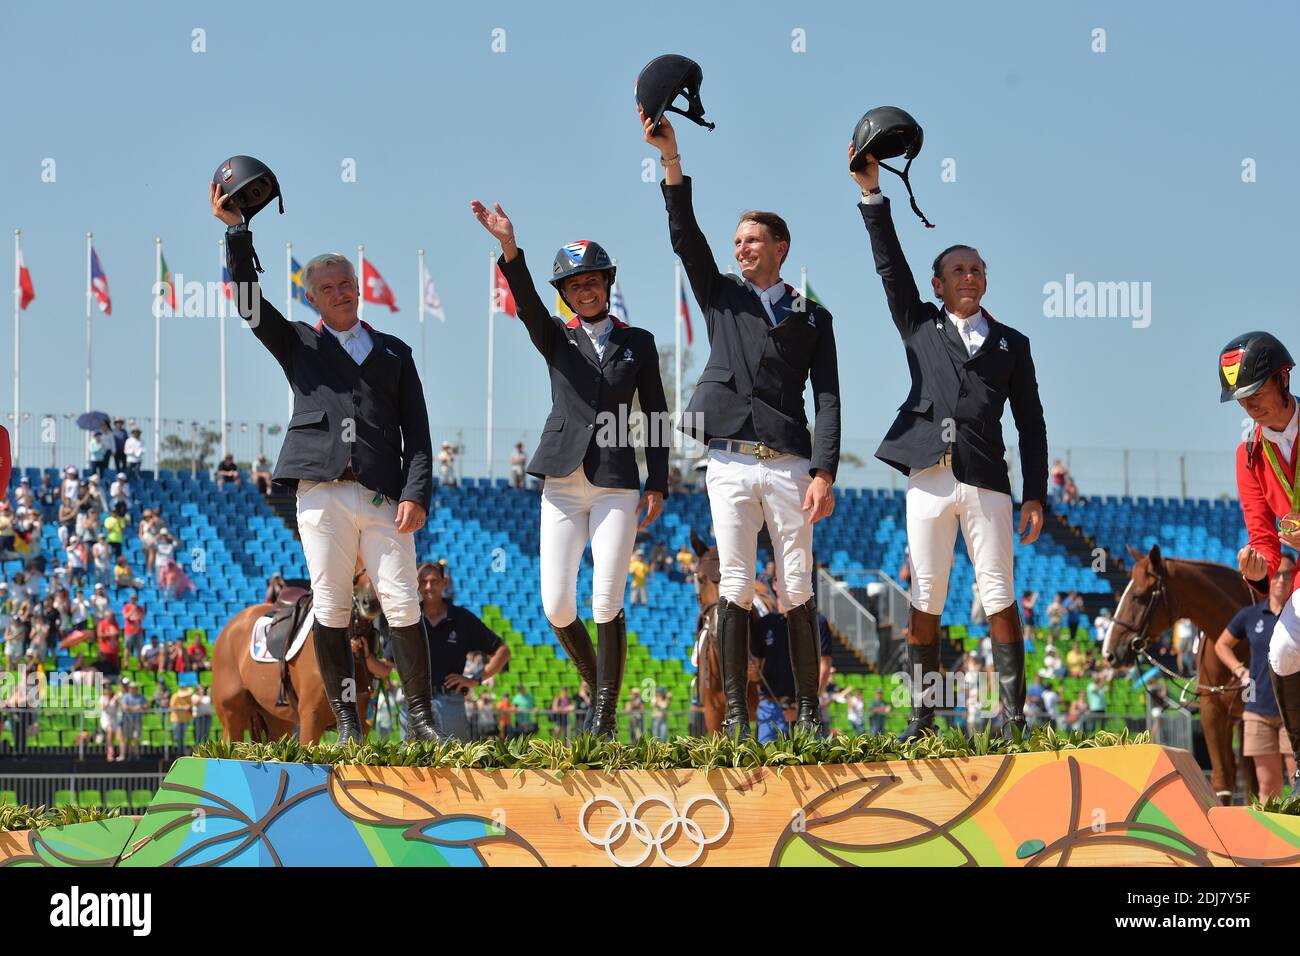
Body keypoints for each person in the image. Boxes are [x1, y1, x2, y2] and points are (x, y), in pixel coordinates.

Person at [640, 105, 840, 739]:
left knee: (798, 586)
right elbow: (685, 237)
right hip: (726, 460)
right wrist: (671, 159)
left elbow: (829, 397)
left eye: (752, 240)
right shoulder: (721, 294)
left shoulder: (814, 318)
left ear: (780, 248)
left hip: (788, 466)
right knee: (733, 583)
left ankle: (807, 715)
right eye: (737, 243)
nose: (740, 248)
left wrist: (825, 471)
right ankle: (733, 721)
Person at [215, 180, 439, 744]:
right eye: (326, 288)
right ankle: (346, 724)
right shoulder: (296, 342)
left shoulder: (394, 352)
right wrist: (237, 232)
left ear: (357, 291)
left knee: (402, 601)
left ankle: (421, 719)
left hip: (386, 495)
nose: (339, 293)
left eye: (345, 285)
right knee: (333, 605)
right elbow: (246, 300)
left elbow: (419, 431)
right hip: (319, 492)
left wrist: (417, 493)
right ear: (311, 297)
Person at [850, 143, 1047, 742]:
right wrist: (872, 195)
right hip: (928, 477)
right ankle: (922, 717)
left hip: (987, 477)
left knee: (998, 594)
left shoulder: (1013, 343)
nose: (970, 276)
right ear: (938, 283)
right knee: (926, 594)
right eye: (959, 269)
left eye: (978, 268)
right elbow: (889, 267)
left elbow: (1031, 421)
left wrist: (1035, 494)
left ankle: (1014, 719)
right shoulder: (920, 325)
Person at [472, 199, 668, 740]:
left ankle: (603, 718)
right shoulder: (555, 335)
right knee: (557, 604)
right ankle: (594, 686)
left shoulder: (639, 343)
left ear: (607, 284)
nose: (585, 291)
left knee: (607, 596)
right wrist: (510, 249)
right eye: (575, 286)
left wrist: (660, 484)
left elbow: (655, 414)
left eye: (593, 282)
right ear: (566, 294)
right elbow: (528, 303)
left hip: (615, 483)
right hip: (561, 479)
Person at [1216, 553, 1298, 799]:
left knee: (1298, 786)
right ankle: (1271, 838)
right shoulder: (1250, 615)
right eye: (1277, 573)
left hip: (1293, 713)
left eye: (1288, 574)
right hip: (1257, 710)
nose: (1282, 580)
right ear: (1269, 577)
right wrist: (1239, 670)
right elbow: (1221, 645)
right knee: (1268, 788)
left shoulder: (1298, 617)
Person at [416, 560, 510, 741]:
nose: (429, 586)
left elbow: (503, 651)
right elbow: (386, 666)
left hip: (451, 704)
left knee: (454, 765)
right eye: (423, 581)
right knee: (410, 767)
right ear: (417, 584)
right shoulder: (408, 620)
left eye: (434, 581)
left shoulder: (462, 619)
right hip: (415, 703)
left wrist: (476, 680)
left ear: (445, 582)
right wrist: (364, 654)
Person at [750, 598, 834, 742]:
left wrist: (802, 706)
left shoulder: (817, 621)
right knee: (768, 761)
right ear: (775, 584)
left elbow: (824, 667)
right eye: (778, 577)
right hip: (770, 707)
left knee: (809, 762)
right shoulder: (765, 623)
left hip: (804, 707)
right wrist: (751, 672)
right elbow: (755, 675)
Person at [99, 683, 124, 762]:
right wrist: (110, 700)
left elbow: (121, 706)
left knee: (119, 736)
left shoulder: (115, 697)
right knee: (109, 731)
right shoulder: (102, 698)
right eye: (106, 689)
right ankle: (110, 753)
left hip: (115, 719)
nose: (108, 690)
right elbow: (103, 707)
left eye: (109, 689)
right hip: (106, 719)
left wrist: (117, 700)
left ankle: (122, 755)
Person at [169, 686, 194, 751]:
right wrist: (183, 708)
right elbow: (172, 707)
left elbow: (191, 706)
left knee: (183, 736)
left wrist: (189, 707)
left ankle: (182, 750)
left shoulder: (189, 697)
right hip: (176, 719)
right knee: (177, 736)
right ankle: (179, 750)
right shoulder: (175, 696)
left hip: (186, 719)